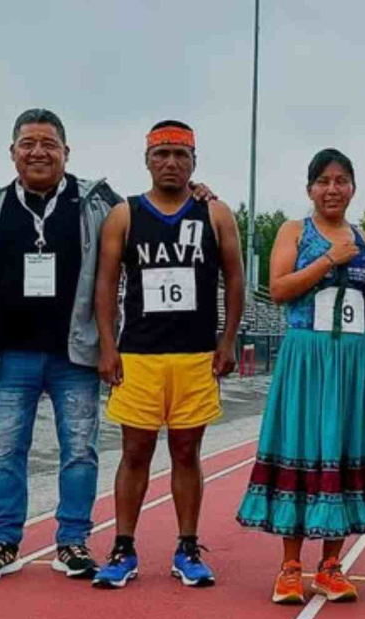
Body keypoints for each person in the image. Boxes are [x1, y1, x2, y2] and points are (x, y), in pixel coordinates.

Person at [0, 109, 121, 582]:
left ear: (66, 152)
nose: (38, 152)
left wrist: (198, 193)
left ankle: (72, 541)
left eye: (48, 144)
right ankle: (3, 540)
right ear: (12, 152)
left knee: (80, 451)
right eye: (27, 144)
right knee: (4, 450)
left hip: (76, 352)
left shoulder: (98, 203)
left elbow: (150, 223)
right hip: (9, 352)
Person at [236, 148, 365, 604]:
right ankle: (290, 566)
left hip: (355, 358)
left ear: (353, 187)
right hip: (308, 357)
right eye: (324, 181)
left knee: (344, 448)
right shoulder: (294, 230)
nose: (332, 189)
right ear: (310, 188)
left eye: (341, 180)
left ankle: (330, 565)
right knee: (302, 445)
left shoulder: (364, 237)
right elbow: (280, 289)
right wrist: (329, 259)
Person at [90, 121, 243, 589]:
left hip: (195, 355)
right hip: (139, 355)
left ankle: (187, 547)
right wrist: (107, 345)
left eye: (180, 154)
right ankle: (123, 547)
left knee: (186, 452)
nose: (171, 162)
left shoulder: (215, 213)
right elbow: (106, 283)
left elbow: (235, 278)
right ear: (147, 160)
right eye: (162, 154)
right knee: (135, 452)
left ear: (194, 161)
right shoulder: (125, 214)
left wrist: (228, 340)